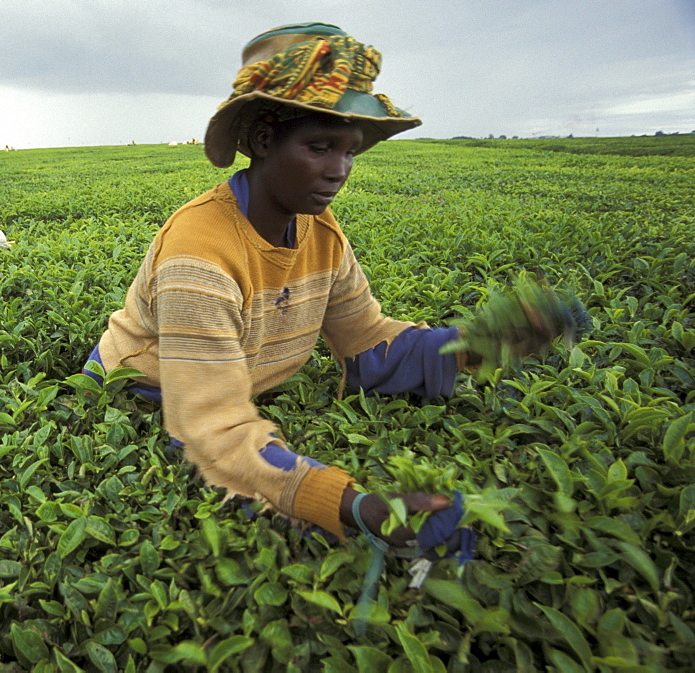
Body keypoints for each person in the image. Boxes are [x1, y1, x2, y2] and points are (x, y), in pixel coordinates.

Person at [84, 23, 560, 551]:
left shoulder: (320, 230)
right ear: (264, 141)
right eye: (319, 147)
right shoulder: (200, 257)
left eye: (349, 151)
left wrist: (472, 346)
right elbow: (209, 429)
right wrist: (358, 506)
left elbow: (366, 338)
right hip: (148, 390)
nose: (338, 171)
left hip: (245, 379)